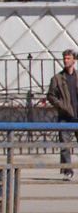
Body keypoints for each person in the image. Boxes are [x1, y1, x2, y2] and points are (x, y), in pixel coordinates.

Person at [45, 47, 77, 180]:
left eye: (68, 58)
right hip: (65, 116)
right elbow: (50, 95)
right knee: (64, 145)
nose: (65, 61)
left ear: (74, 60)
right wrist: (60, 105)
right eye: (64, 58)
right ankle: (67, 171)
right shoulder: (57, 78)